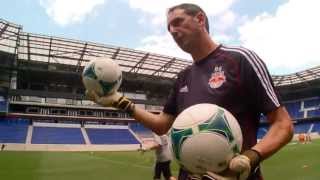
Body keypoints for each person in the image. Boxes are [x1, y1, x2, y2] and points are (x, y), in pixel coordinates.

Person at [86, 3, 294, 180]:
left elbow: (283, 124)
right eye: (169, 28)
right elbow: (161, 126)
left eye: (178, 22)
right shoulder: (183, 76)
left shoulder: (240, 59)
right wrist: (120, 101)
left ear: (200, 19)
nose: (173, 31)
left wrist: (250, 157)